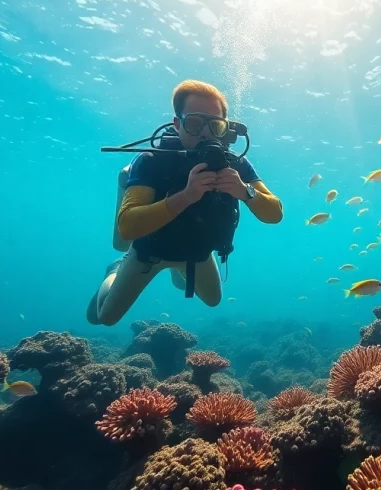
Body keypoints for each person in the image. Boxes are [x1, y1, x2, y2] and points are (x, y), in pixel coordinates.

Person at [87, 80, 283, 326]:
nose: (205, 133)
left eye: (215, 125)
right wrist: (186, 196)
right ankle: (115, 270)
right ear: (177, 124)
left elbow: (275, 213)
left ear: (225, 127)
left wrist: (246, 191)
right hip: (149, 252)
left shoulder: (236, 165)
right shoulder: (152, 161)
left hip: (196, 253)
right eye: (193, 124)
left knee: (213, 300)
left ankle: (177, 268)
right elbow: (127, 227)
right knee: (104, 317)